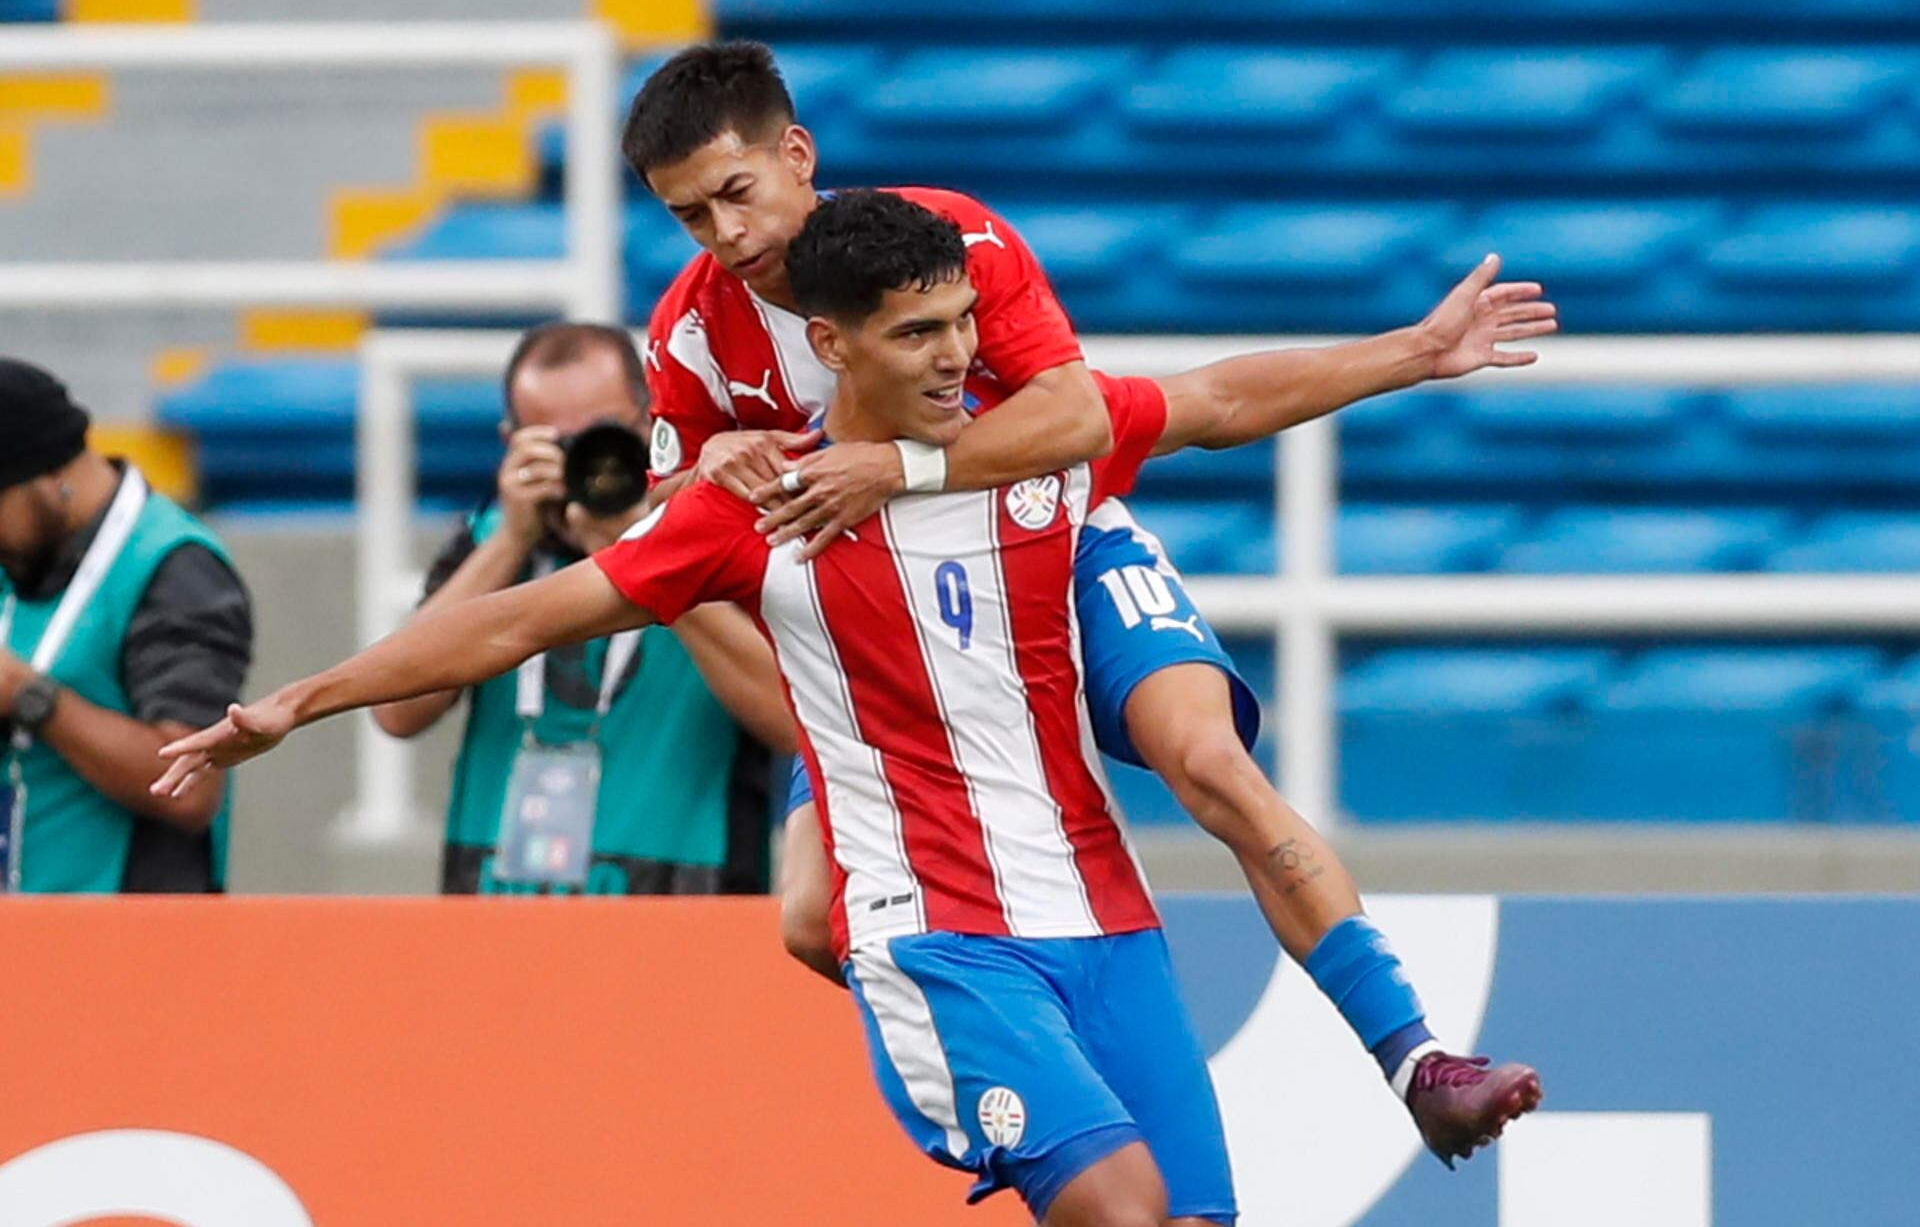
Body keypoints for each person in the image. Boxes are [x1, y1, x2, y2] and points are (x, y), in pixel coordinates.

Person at [156, 192, 1543, 1225]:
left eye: (959, 324)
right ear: (829, 344)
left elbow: (1227, 398)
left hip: (1104, 919)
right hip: (937, 932)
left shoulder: (1043, 438)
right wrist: (298, 701)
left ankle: (1412, 1054)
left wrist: (1416, 351)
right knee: (1120, 1208)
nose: (956, 358)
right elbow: (521, 617)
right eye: (916, 335)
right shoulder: (747, 513)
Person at [623, 42, 1555, 1161]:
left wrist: (1412, 350)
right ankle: (1034, 1079)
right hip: (881, 640)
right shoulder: (689, 333)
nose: (725, 235)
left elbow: (1083, 410)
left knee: (1208, 762)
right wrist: (708, 457)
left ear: (797, 154)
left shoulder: (941, 245)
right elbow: (667, 515)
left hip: (1055, 550)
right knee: (810, 917)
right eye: (690, 217)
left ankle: (1416, 1058)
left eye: (736, 193)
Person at [372, 322, 794, 895]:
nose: (588, 462)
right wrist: (506, 544)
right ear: (511, 440)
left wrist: (652, 558)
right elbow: (395, 711)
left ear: (651, 422)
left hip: (685, 900)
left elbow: (797, 721)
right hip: (498, 901)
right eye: (558, 442)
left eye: (605, 435)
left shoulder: (723, 538)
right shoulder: (492, 539)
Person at [0, 359, 250, 892]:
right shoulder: (19, 554)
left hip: (126, 945)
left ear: (49, 480)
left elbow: (191, 784)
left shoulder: (175, 569)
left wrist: (26, 695)